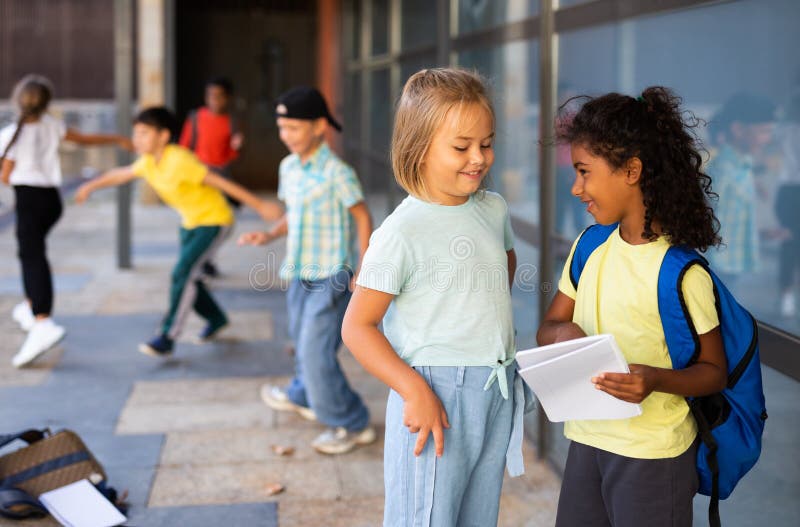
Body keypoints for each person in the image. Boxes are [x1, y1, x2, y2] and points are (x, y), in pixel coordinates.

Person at [341, 68, 528, 527]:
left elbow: (504, 261)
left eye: (486, 143)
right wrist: (414, 389)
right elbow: (356, 327)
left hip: (496, 390)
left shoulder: (493, 208)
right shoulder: (400, 232)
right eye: (461, 147)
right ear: (419, 148)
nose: (478, 157)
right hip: (433, 395)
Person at [538, 87, 728, 527]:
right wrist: (562, 336)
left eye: (584, 172)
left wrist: (655, 379)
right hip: (586, 440)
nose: (575, 187)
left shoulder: (681, 273)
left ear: (631, 171)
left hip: (653, 455)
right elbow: (550, 325)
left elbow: (713, 371)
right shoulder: (588, 247)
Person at [75, 106, 281, 357]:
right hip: (190, 224)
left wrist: (259, 205)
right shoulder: (149, 161)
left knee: (182, 274)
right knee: (188, 277)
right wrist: (91, 185)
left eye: (143, 133)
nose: (137, 139)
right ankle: (215, 319)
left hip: (214, 221)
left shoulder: (179, 160)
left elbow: (219, 181)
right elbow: (122, 174)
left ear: (163, 136)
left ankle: (167, 336)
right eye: (136, 133)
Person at [238, 86, 375, 455]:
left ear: (318, 127)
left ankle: (352, 421)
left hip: (332, 276)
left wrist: (364, 268)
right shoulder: (289, 168)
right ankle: (302, 394)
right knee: (301, 341)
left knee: (315, 353)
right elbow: (293, 214)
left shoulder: (337, 172)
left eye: (294, 128)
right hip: (299, 270)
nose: (286, 136)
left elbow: (362, 217)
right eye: (282, 128)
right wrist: (269, 234)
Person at [0, 74, 131, 368]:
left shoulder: (11, 135)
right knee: (30, 253)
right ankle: (32, 305)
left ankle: (43, 321)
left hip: (29, 200)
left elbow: (5, 176)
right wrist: (119, 139)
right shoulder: (52, 126)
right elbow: (86, 140)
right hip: (51, 201)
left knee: (33, 258)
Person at [706, 93, 775, 285]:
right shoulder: (722, 171)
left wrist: (758, 233)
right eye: (763, 131)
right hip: (717, 265)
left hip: (731, 263)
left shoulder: (744, 165)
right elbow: (706, 215)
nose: (767, 139)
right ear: (738, 130)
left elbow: (734, 214)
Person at [179, 76, 244, 278]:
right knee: (197, 218)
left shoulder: (232, 121)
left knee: (225, 220)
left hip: (221, 175)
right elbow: (184, 147)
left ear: (228, 98)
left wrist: (236, 148)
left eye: (219, 96)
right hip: (198, 174)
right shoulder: (196, 118)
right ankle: (197, 258)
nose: (215, 100)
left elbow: (232, 155)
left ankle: (206, 257)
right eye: (211, 96)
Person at [776, 90, 800, 317]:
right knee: (790, 243)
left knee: (790, 244)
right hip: (792, 190)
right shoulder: (787, 130)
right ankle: (787, 296)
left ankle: (787, 297)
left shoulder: (785, 130)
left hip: (789, 190)